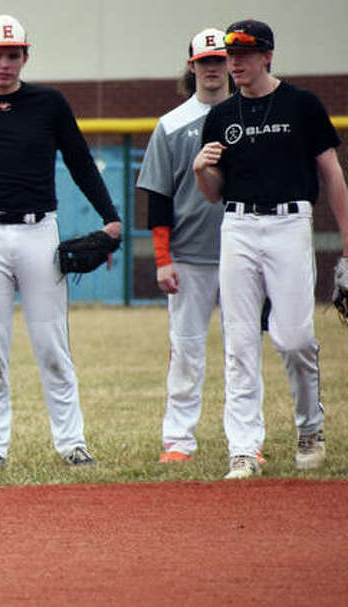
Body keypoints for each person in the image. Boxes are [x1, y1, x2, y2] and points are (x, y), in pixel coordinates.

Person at [0, 14, 122, 468]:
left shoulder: (49, 103)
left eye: (12, 54)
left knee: (51, 343)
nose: (4, 63)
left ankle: (71, 442)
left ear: (25, 56)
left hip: (40, 230)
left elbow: (79, 161)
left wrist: (110, 217)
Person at [194, 19, 348, 479]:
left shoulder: (301, 104)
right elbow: (212, 193)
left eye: (244, 53)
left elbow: (333, 175)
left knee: (295, 338)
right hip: (239, 224)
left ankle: (309, 427)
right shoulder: (221, 116)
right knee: (240, 340)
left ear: (267, 56)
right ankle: (243, 446)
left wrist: (347, 250)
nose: (234, 62)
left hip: (289, 223)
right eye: (229, 54)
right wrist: (201, 169)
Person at [137, 28, 236, 463]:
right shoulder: (172, 125)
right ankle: (178, 439)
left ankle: (244, 441)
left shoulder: (251, 117)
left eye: (220, 60)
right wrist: (162, 258)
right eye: (205, 61)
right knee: (187, 348)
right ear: (192, 66)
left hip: (243, 250)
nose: (213, 69)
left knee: (244, 350)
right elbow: (157, 197)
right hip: (191, 254)